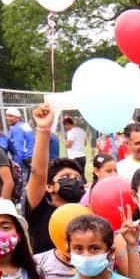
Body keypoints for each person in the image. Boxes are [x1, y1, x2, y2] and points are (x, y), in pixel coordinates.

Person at [23, 104, 89, 253]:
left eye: (77, 178)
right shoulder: (39, 210)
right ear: (49, 186)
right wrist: (44, 130)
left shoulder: (86, 212)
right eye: (65, 176)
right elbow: (38, 173)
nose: (73, 180)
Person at [6, 107, 35, 177]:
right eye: (6, 116)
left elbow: (19, 148)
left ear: (17, 117)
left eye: (10, 116)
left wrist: (16, 163)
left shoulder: (17, 128)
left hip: (23, 160)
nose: (7, 118)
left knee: (22, 183)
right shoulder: (24, 125)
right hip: (31, 158)